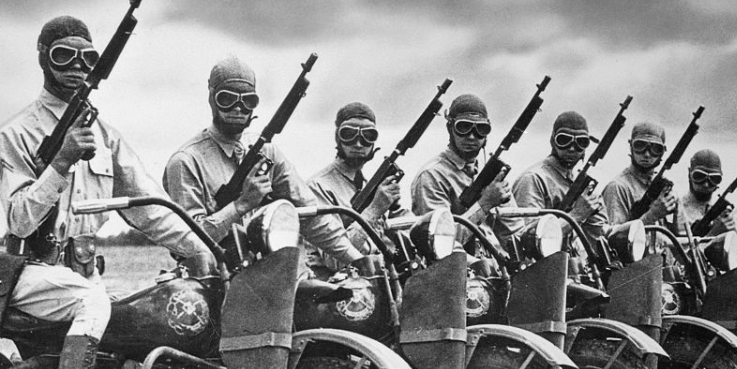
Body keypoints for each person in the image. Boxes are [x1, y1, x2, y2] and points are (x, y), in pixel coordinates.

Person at [0, 16, 205, 369]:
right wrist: (62, 161)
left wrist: (202, 248)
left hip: (82, 275)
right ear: (43, 58)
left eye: (87, 58)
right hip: (30, 271)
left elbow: (152, 207)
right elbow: (20, 218)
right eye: (63, 55)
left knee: (145, 321)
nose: (76, 67)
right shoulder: (17, 133)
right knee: (93, 303)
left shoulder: (106, 135)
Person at [163, 56, 363, 273]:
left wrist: (357, 260)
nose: (238, 108)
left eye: (248, 101)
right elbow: (186, 241)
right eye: (227, 99)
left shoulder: (267, 153)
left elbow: (312, 217)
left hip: (268, 277)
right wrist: (240, 206)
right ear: (212, 98)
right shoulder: (186, 161)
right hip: (211, 279)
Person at [306, 102, 406, 277]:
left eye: (368, 135)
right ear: (338, 137)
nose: (358, 143)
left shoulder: (371, 186)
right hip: (337, 291)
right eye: (349, 134)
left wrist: (395, 209)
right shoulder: (319, 186)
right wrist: (374, 210)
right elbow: (334, 260)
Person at [410, 93, 513, 253]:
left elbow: (514, 233)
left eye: (480, 129)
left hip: (491, 267)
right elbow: (440, 241)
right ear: (450, 128)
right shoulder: (432, 176)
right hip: (453, 271)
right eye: (463, 127)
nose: (471, 136)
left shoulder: (489, 177)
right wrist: (485, 204)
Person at [510, 111, 606, 246]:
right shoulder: (533, 179)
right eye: (564, 140)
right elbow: (529, 242)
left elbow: (599, 238)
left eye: (581, 142)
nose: (572, 148)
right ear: (553, 141)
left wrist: (593, 211)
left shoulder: (576, 183)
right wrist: (577, 215)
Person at [602, 121, 677, 226]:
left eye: (655, 148)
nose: (647, 154)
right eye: (640, 146)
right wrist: (652, 216)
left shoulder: (664, 189)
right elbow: (613, 238)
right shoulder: (618, 188)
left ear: (663, 151)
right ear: (631, 146)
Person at [673, 149, 735, 235]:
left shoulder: (724, 216)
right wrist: (714, 233)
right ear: (689, 173)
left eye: (714, 179)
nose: (706, 184)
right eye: (699, 176)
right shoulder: (676, 211)